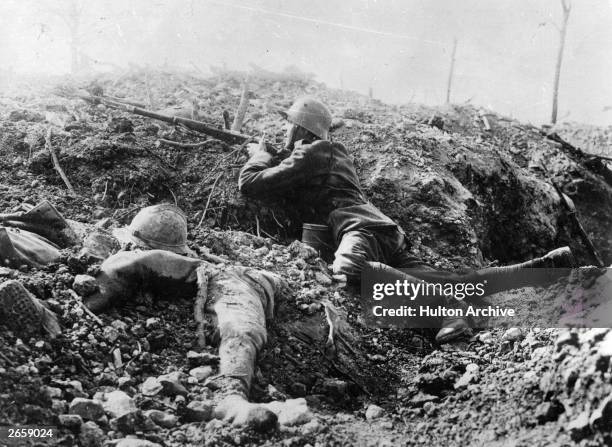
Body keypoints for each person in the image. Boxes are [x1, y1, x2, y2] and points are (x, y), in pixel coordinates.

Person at [238, 96, 574, 343]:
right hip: (382, 232)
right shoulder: (328, 154)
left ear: (300, 128)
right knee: (453, 280)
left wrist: (259, 156)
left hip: (360, 230)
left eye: (288, 124)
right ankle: (538, 270)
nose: (285, 130)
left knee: (350, 273)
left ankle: (445, 309)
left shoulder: (314, 151)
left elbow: (251, 184)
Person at [0, 204, 286, 431]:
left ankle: (232, 395)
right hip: (94, 285)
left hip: (219, 291)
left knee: (238, 326)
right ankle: (52, 313)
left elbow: (240, 326)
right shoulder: (126, 251)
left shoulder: (223, 275)